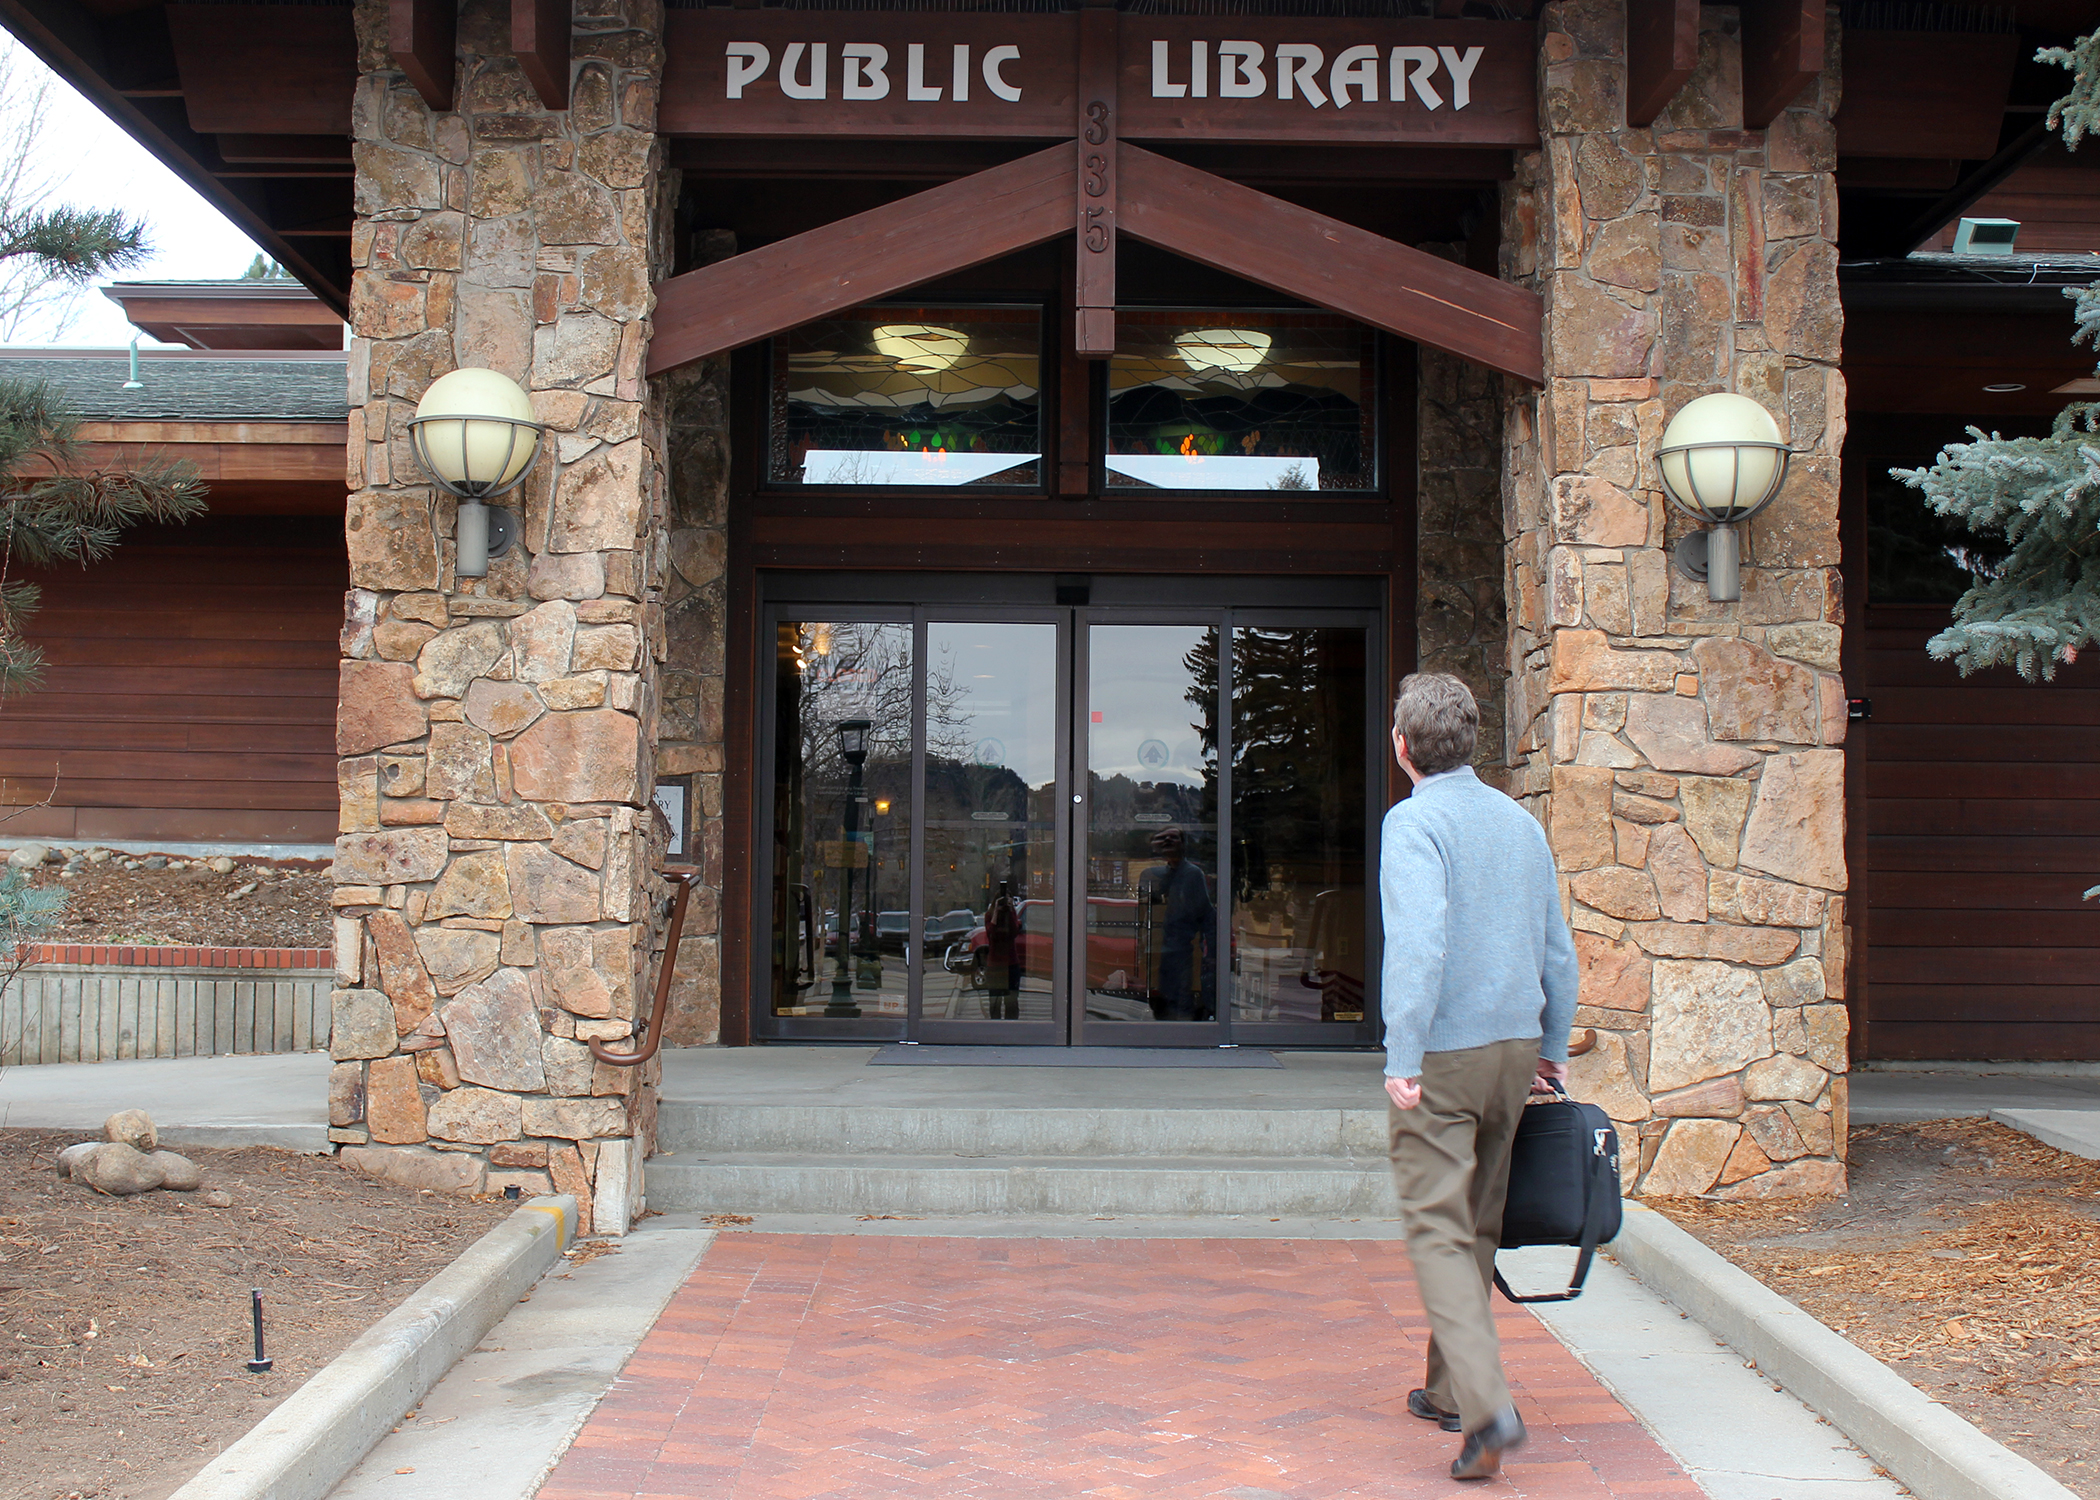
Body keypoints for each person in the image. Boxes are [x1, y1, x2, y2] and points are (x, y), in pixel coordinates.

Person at [1379, 672, 1578, 1481]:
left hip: (1447, 1054)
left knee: (1435, 1224)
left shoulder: (1413, 822)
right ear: (1469, 741)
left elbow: (1420, 947)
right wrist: (1552, 1045)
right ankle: (1451, 1395)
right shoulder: (1519, 824)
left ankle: (1488, 1402)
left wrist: (1402, 1054)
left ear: (1402, 748)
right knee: (1478, 1219)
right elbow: (1556, 949)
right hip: (1512, 1052)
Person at [1137, 825, 1214, 1020]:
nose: (1167, 842)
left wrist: (1211, 951)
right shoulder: (1157, 875)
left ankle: (1181, 1034)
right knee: (1162, 995)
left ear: (1183, 844)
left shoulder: (1191, 874)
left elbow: (1205, 914)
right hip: (1158, 951)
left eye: (1173, 838)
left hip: (1182, 950)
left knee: (1180, 997)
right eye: (1162, 838)